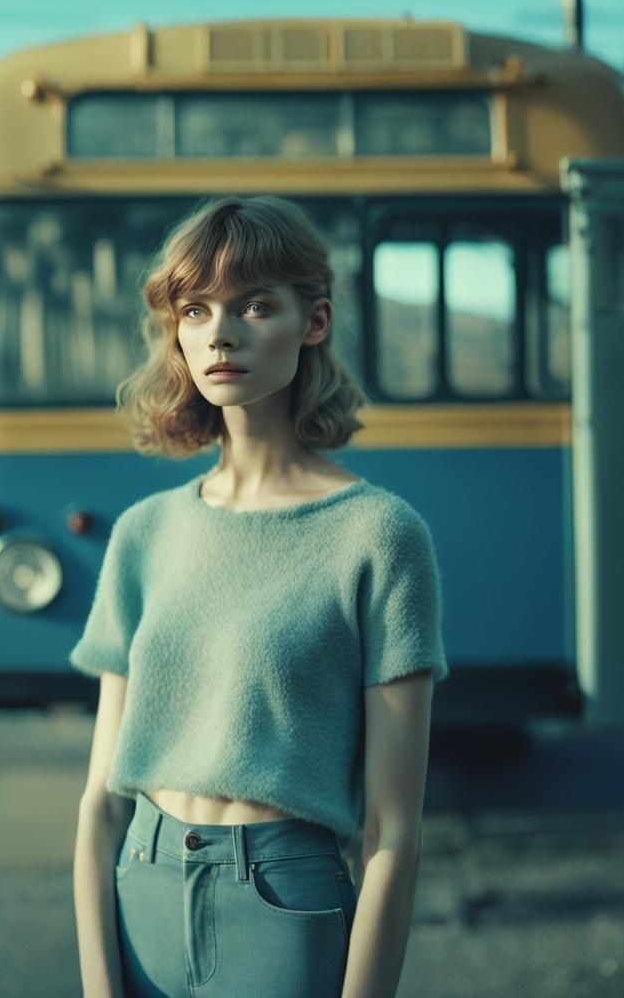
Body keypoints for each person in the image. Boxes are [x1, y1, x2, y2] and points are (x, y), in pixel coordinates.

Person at [70, 196, 450, 998]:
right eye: (196, 309)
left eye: (253, 305)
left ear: (312, 323)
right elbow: (102, 803)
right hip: (139, 880)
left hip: (281, 899)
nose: (221, 332)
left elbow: (393, 833)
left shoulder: (379, 535)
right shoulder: (144, 533)